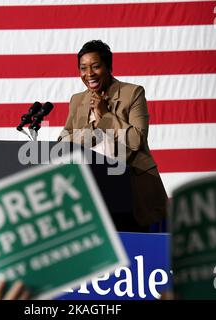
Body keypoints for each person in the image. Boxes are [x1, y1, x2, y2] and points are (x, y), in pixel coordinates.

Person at [58, 40, 168, 231]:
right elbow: (63, 142)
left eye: (95, 66)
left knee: (133, 250)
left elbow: (136, 140)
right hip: (91, 189)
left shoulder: (132, 93)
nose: (89, 74)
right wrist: (95, 126)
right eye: (83, 68)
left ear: (108, 67)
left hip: (129, 187)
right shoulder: (77, 100)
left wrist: (105, 115)